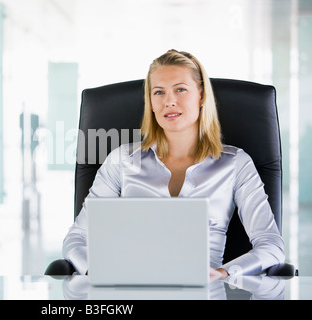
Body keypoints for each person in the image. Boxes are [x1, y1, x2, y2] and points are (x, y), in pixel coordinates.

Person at [62, 49, 285, 280]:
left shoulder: (235, 164)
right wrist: (97, 272)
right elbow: (77, 238)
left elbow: (271, 246)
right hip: (132, 290)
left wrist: (223, 273)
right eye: (158, 92)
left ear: (201, 96)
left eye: (180, 89)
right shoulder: (122, 161)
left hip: (207, 292)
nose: (169, 101)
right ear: (150, 102)